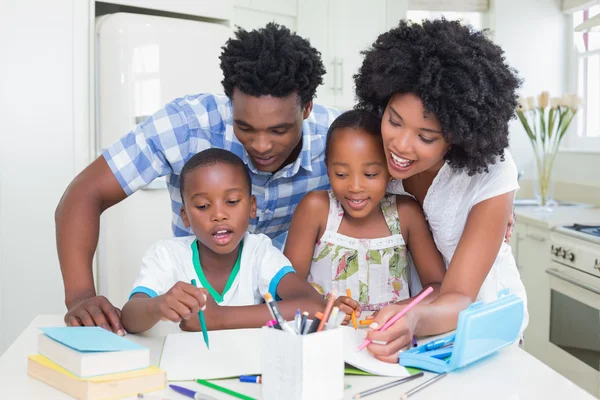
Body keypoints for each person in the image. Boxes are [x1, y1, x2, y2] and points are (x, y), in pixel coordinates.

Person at [55, 23, 339, 334]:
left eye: (278, 131)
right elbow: (85, 192)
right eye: (245, 127)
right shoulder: (187, 125)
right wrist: (81, 296)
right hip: (191, 328)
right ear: (231, 102)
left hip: (282, 322)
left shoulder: (337, 141)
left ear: (307, 108)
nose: (261, 145)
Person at [352, 19, 528, 362]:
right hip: (414, 321)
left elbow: (462, 293)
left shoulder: (489, 172)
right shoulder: (371, 151)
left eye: (426, 137)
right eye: (394, 120)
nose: (400, 146)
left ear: (458, 136)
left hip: (482, 323)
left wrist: (414, 318)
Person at [121, 149, 324, 333]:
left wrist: (221, 317)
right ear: (185, 216)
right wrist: (157, 306)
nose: (219, 215)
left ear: (252, 207)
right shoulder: (166, 255)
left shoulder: (259, 252)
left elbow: (314, 305)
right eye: (202, 206)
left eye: (232, 202)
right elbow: (130, 318)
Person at [284, 110, 446, 323]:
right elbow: (287, 285)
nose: (355, 187)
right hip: (327, 340)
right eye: (341, 174)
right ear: (327, 169)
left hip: (388, 340)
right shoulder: (316, 209)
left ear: (390, 171)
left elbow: (437, 286)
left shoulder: (406, 214)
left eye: (370, 174)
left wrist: (401, 309)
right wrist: (323, 306)